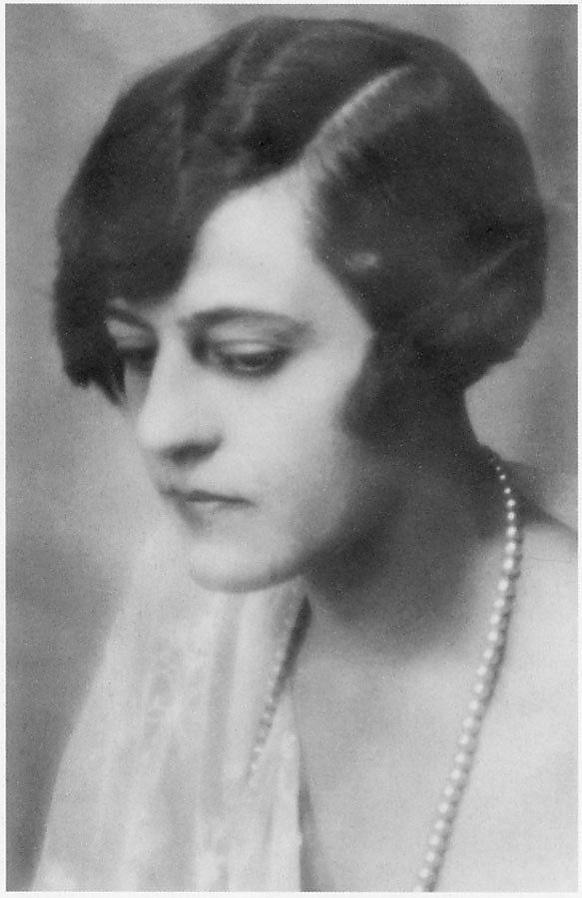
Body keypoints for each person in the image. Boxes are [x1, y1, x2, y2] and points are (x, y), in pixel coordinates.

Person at [33, 16, 575, 892]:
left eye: (247, 356)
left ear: (431, 332)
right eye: (137, 354)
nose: (161, 425)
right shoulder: (186, 616)